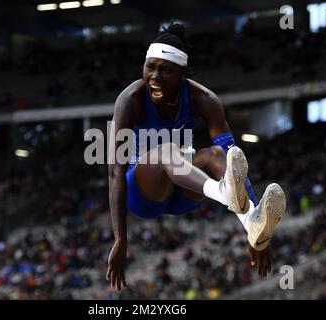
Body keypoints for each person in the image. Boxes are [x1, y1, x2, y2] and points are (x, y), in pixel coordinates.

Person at [106, 23, 286, 291]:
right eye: (149, 67)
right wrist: (121, 239)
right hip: (142, 194)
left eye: (165, 70)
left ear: (183, 73)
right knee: (167, 152)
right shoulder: (130, 99)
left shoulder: (204, 99)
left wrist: (256, 229)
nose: (154, 76)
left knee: (216, 154)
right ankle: (223, 193)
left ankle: (252, 222)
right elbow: (115, 174)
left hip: (183, 193)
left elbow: (233, 161)